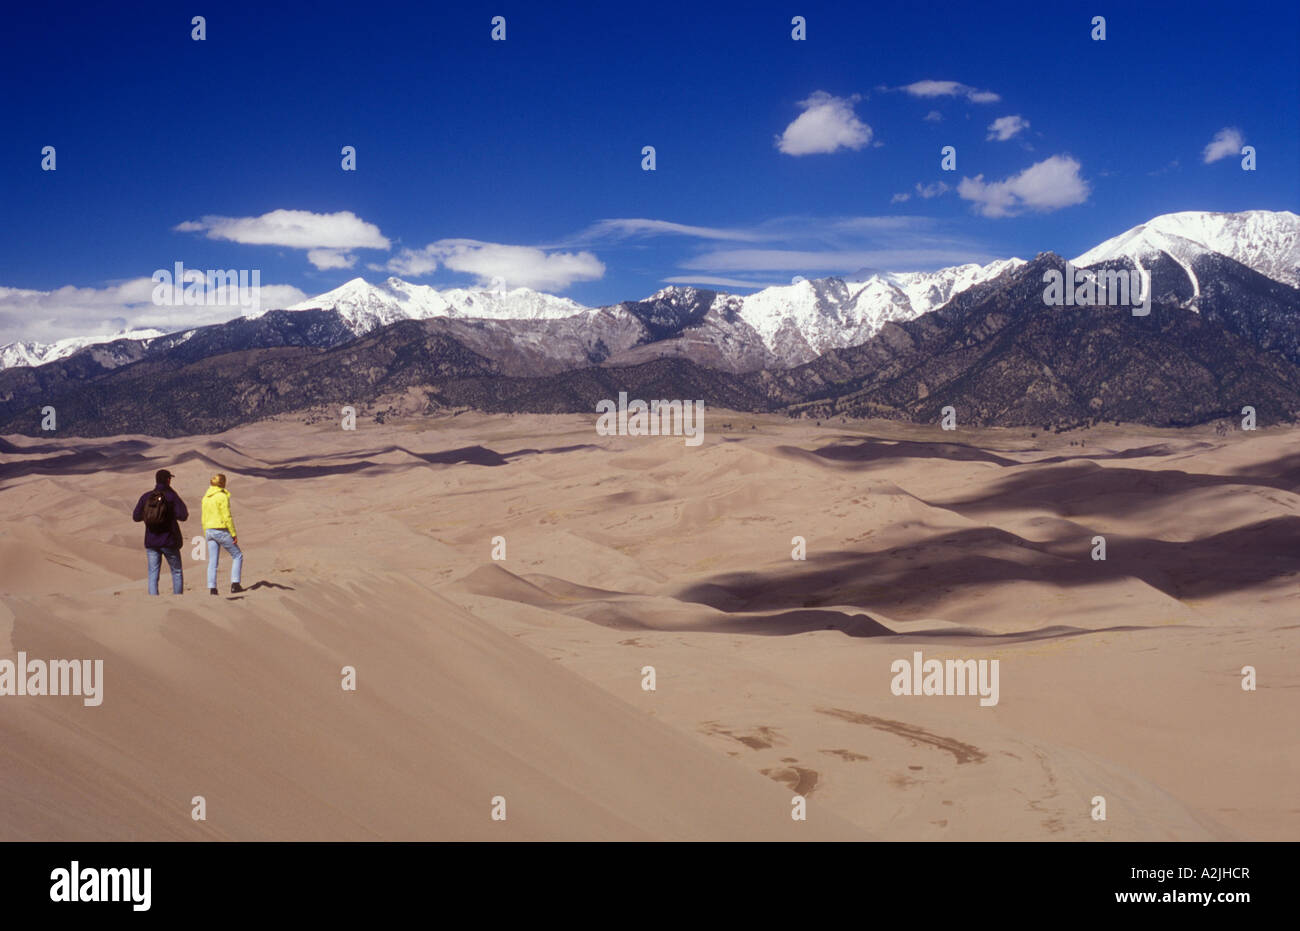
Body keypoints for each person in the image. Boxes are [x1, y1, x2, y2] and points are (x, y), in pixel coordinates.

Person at [132, 468, 189, 595]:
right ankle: (178, 599)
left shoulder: (146, 496)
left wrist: (150, 516)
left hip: (151, 541)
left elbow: (136, 517)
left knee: (153, 573)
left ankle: (153, 601)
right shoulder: (171, 496)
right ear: (168, 480)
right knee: (176, 571)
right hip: (169, 541)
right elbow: (183, 515)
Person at [202, 473, 244, 595]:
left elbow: (203, 517)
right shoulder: (222, 496)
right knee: (237, 555)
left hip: (209, 531)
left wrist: (206, 531)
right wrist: (233, 533)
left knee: (213, 561)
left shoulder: (206, 497)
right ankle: (235, 584)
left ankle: (212, 588)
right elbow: (227, 516)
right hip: (220, 530)